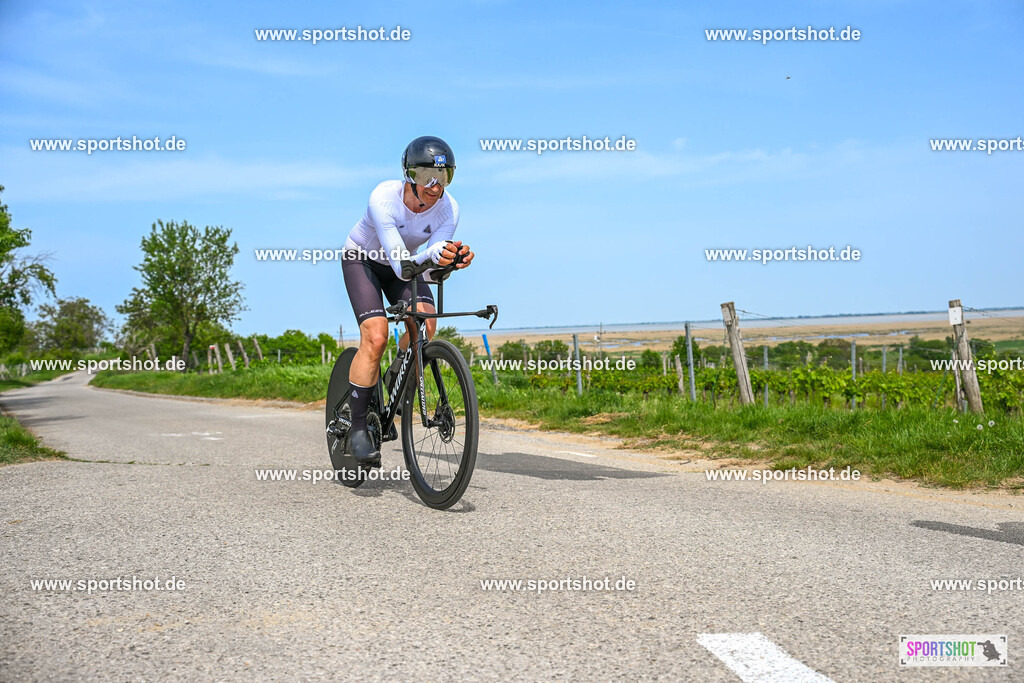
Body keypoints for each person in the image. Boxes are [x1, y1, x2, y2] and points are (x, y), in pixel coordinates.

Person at [341, 136, 474, 463]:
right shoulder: (383, 198)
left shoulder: (449, 209)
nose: (435, 186)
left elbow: (427, 268)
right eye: (428, 177)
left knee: (426, 325)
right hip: (365, 261)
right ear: (410, 175)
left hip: (406, 265)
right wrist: (436, 255)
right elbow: (401, 265)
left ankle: (395, 375)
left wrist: (450, 263)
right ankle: (357, 430)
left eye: (444, 178)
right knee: (376, 336)